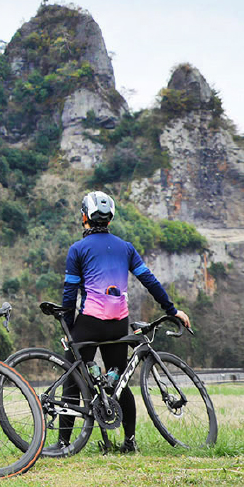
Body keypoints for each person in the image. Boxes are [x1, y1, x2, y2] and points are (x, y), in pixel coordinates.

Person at [59, 190, 191, 454]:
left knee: (73, 381)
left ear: (84, 217)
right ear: (111, 219)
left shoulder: (78, 249)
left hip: (89, 322)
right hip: (119, 323)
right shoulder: (126, 248)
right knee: (119, 384)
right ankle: (129, 441)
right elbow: (150, 281)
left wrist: (68, 327)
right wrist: (171, 309)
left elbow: (70, 294)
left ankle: (63, 443)